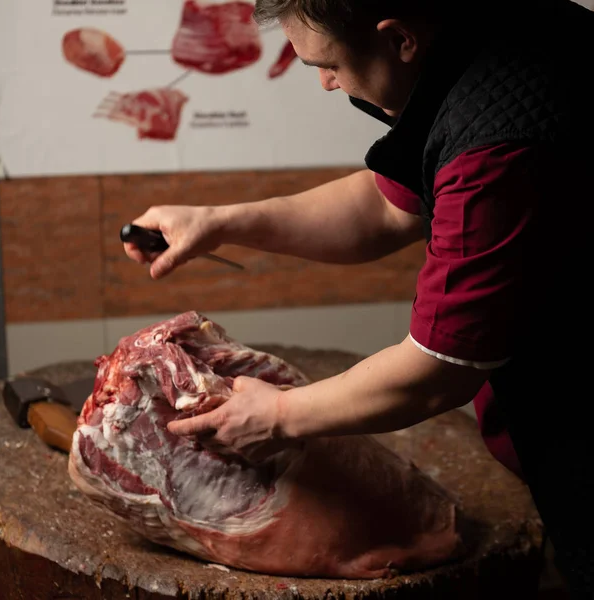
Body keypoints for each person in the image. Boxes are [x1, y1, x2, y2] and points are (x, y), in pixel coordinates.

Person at [124, 0, 593, 594]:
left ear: (398, 38)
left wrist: (279, 417)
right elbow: (382, 208)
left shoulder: (500, 147)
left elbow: (436, 373)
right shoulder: (495, 33)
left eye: (329, 64)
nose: (325, 83)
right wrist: (218, 221)